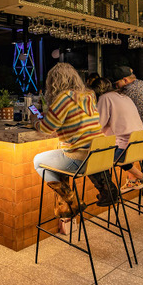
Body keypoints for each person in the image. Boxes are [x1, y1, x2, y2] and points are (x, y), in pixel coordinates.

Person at [32, 63, 102, 219]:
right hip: (97, 157)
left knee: (38, 161)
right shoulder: (89, 96)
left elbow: (46, 128)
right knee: (56, 159)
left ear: (54, 82)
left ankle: (72, 200)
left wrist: (34, 121)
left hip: (80, 158)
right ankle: (66, 207)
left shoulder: (64, 98)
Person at [88, 77, 143, 197]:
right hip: (140, 145)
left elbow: (98, 125)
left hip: (125, 149)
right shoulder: (125, 97)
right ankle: (135, 179)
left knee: (96, 157)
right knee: (108, 151)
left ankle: (110, 194)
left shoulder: (105, 98)